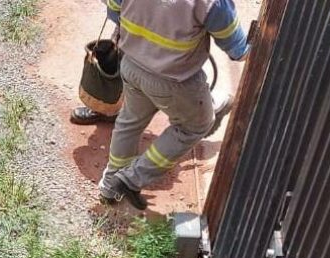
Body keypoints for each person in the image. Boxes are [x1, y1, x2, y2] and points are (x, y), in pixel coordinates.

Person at [95, 0, 250, 210]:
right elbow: (239, 51)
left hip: (131, 65)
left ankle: (110, 185)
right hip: (174, 81)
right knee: (195, 126)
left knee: (130, 120)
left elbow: (115, 14)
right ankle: (131, 179)